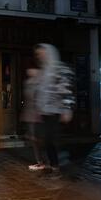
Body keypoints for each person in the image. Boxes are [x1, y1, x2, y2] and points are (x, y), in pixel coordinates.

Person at [33, 44, 75, 177]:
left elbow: (66, 89)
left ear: (49, 53)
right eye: (38, 54)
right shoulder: (44, 70)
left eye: (42, 53)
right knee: (46, 139)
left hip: (56, 110)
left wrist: (67, 109)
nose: (40, 56)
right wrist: (39, 108)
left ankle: (56, 165)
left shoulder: (60, 68)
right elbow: (40, 91)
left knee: (51, 139)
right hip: (45, 111)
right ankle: (54, 164)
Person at [21, 68, 45, 171]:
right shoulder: (28, 83)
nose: (29, 72)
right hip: (32, 115)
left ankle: (43, 162)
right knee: (34, 139)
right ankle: (41, 161)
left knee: (37, 139)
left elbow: (39, 100)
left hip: (38, 115)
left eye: (32, 70)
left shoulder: (39, 83)